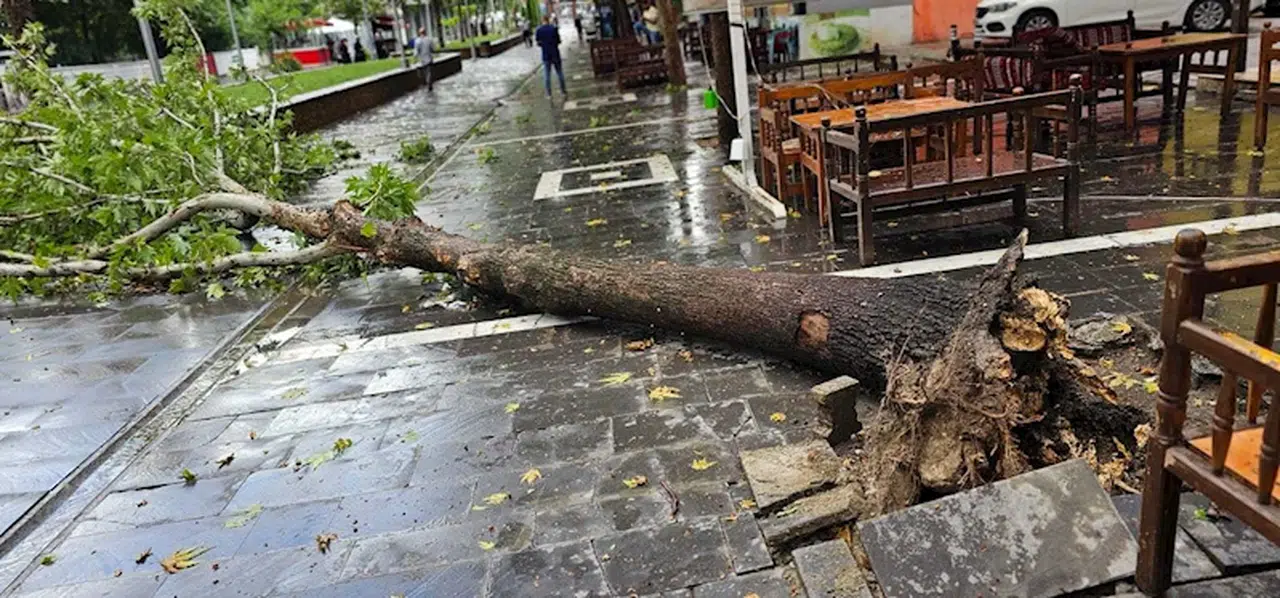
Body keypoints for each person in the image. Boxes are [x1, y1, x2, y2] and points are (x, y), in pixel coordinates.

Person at [535, 16, 566, 98]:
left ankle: (549, 94)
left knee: (547, 75)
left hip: (546, 54)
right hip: (555, 53)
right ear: (548, 20)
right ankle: (563, 91)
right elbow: (559, 41)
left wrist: (544, 45)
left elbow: (538, 43)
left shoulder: (539, 30)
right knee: (559, 72)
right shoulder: (554, 28)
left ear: (542, 20)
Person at [414, 27, 434, 92]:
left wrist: (415, 59)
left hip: (422, 60)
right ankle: (429, 84)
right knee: (429, 72)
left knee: (425, 73)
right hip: (429, 59)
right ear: (425, 32)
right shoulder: (429, 40)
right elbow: (432, 49)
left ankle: (427, 83)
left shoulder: (417, 41)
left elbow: (416, 51)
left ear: (419, 33)